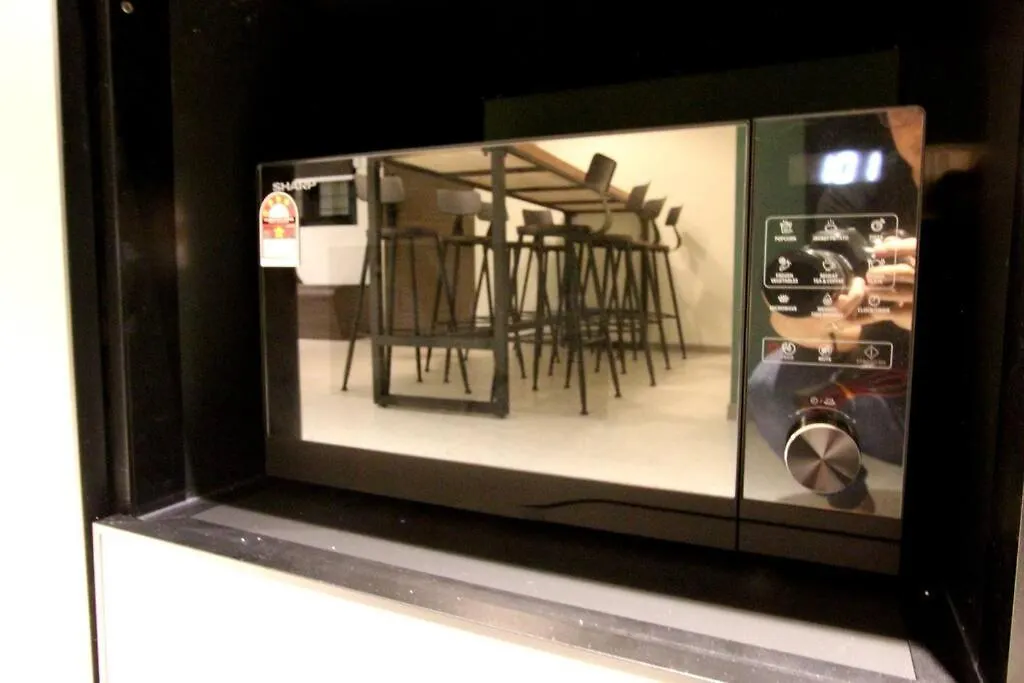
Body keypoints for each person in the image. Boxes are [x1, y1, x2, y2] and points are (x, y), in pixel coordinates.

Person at [747, 108, 923, 504]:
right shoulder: (855, 193)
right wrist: (803, 317)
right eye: (902, 114)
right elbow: (804, 311)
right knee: (766, 387)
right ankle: (848, 497)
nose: (918, 124)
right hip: (870, 352)